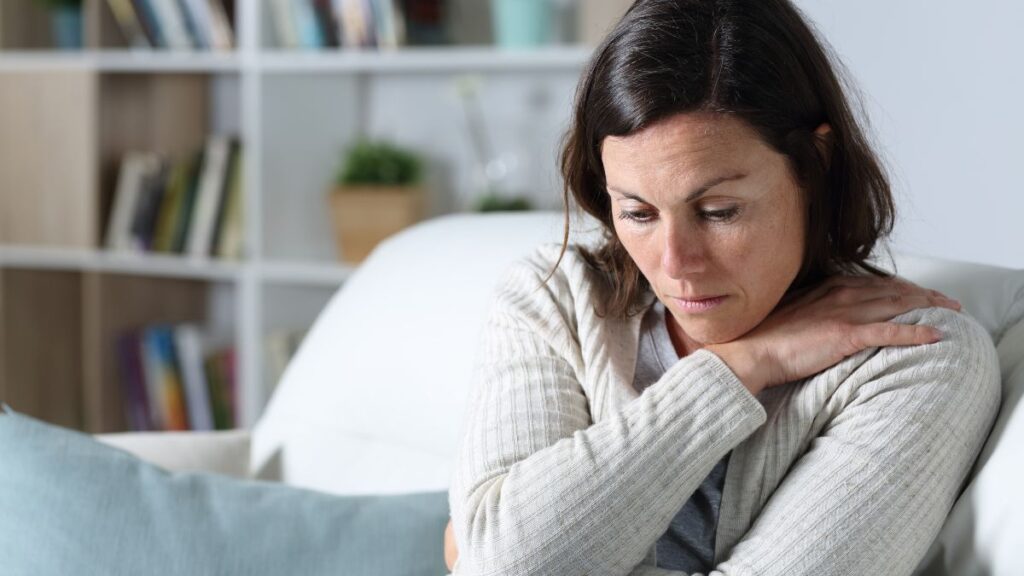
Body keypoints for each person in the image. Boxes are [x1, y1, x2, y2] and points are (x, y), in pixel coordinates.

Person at [444, 0, 1001, 574]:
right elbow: (503, 563)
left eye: (717, 211)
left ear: (816, 163)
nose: (676, 263)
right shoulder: (552, 297)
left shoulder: (918, 355)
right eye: (637, 213)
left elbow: (494, 560)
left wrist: (488, 544)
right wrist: (740, 366)